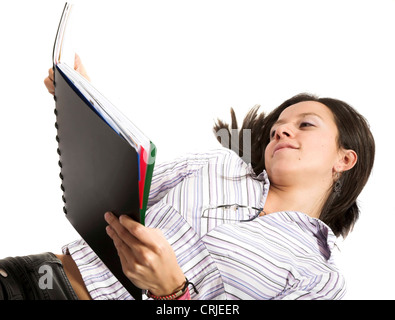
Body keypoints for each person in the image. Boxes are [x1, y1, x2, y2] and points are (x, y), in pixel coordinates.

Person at [0, 56, 375, 300]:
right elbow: (113, 195)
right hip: (35, 281)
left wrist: (173, 292)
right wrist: (86, 107)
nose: (281, 132)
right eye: (278, 127)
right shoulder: (218, 166)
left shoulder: (319, 280)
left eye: (305, 125)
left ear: (345, 158)